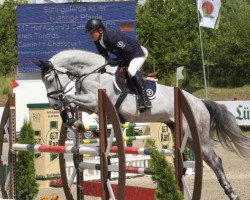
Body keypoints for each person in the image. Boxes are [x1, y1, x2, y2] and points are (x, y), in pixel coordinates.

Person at [85, 18, 152, 109]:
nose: (91, 35)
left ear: (100, 30)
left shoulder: (112, 36)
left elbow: (129, 51)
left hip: (138, 52)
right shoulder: (97, 41)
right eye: (90, 33)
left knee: (131, 70)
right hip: (126, 56)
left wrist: (116, 61)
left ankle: (145, 99)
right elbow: (104, 56)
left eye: (92, 32)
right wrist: (104, 65)